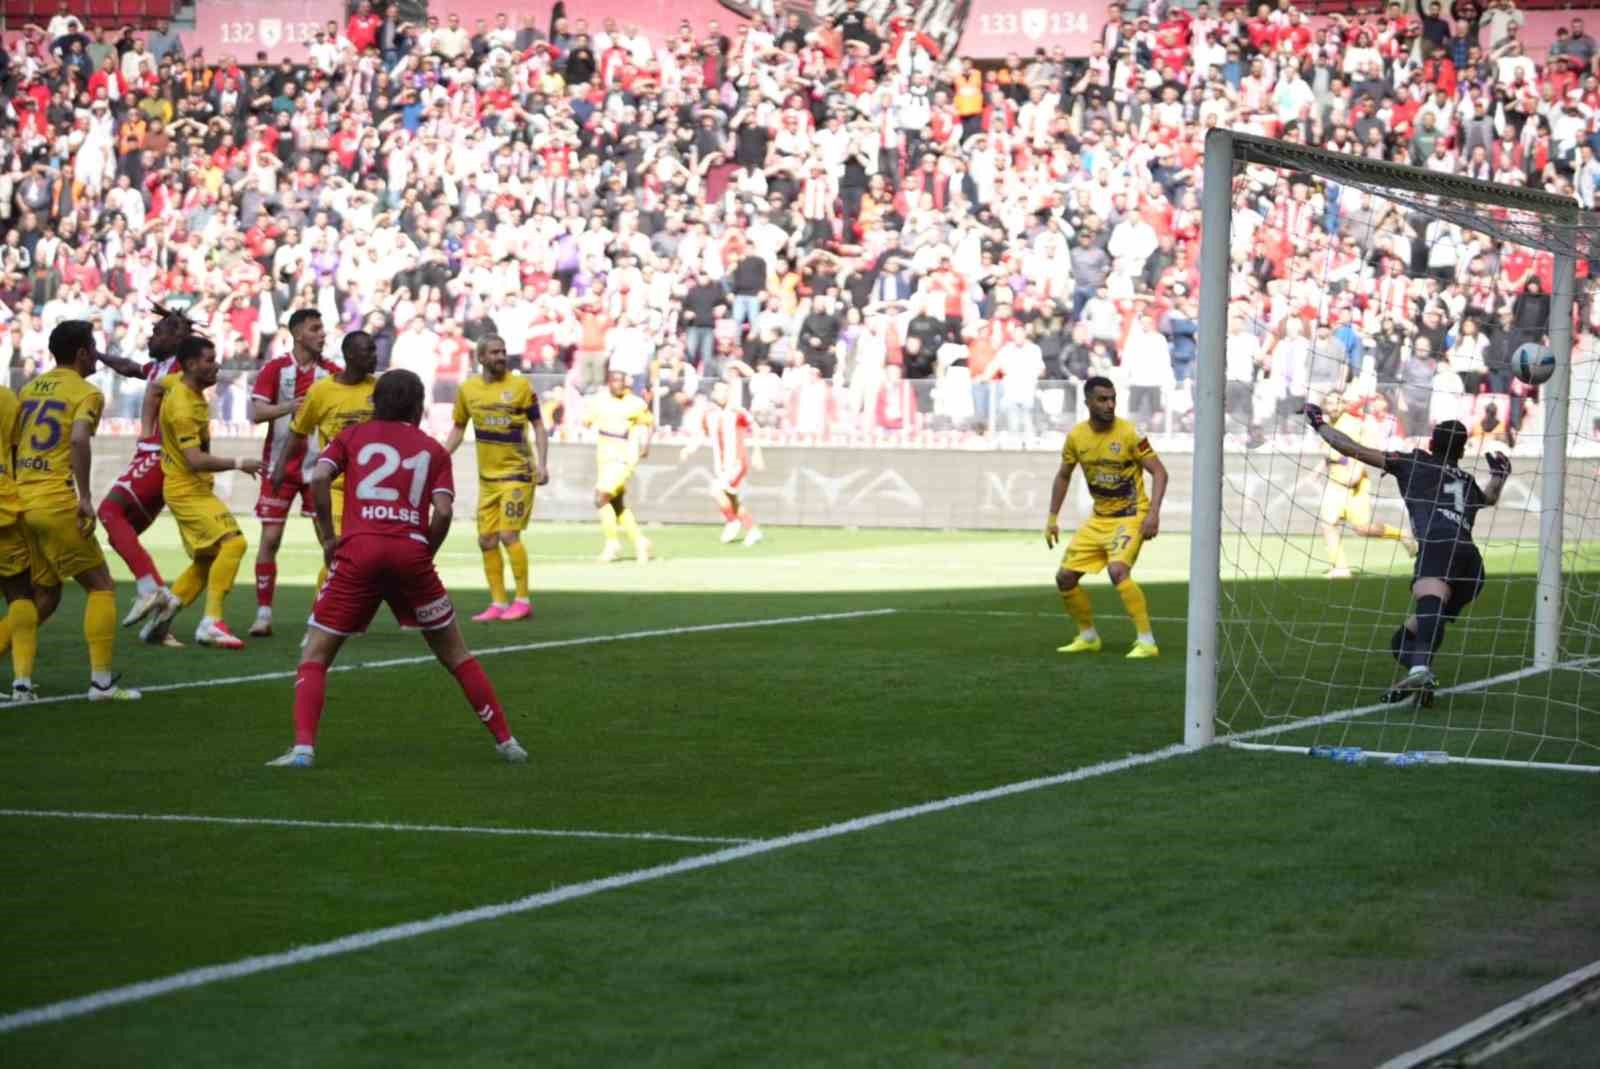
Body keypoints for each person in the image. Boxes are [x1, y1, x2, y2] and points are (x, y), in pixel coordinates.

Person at [267, 369, 528, 768]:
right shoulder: (434, 451)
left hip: (360, 552)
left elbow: (319, 477)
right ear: (418, 407)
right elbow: (442, 511)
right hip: (410, 554)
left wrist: (328, 537)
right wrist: (425, 549)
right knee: (457, 655)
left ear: (375, 402)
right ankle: (507, 741)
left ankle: (303, 749)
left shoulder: (352, 437)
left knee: (316, 653)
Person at [1305, 405, 1508, 704]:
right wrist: (1499, 477)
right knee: (1403, 640)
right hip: (1471, 565)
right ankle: (1422, 677)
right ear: (1462, 452)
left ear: (1429, 444)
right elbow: (1488, 498)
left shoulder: (1413, 462)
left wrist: (1320, 424)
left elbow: (1352, 448)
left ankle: (1420, 668)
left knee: (1428, 612)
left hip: (1438, 546)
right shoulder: (1465, 481)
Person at [13, 320, 141, 701]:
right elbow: (79, 439)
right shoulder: (87, 393)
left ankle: (21, 684)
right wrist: (85, 497)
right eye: (94, 346)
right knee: (101, 586)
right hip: (55, 500)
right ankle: (101, 683)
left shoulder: (29, 388)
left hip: (22, 501)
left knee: (44, 594)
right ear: (83, 352)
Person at [140, 335, 263, 649]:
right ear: (192, 365)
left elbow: (154, 386)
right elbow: (195, 460)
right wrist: (239, 462)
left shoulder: (178, 383)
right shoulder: (182, 406)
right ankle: (211, 622)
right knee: (234, 543)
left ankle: (158, 624)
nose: (216, 365)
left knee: (206, 561)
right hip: (187, 490)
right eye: (209, 360)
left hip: (192, 487)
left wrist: (146, 431)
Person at [1043, 376, 1169, 659]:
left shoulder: (1130, 434)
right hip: (1099, 519)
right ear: (1087, 402)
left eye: (1113, 399)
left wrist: (1153, 514)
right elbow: (1063, 475)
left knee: (1118, 571)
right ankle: (1088, 637)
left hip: (1131, 516)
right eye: (1102, 399)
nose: (1110, 405)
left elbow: (1160, 472)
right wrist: (1052, 517)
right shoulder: (1076, 437)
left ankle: (1147, 641)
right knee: (1064, 578)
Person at [97, 306, 190, 640]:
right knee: (121, 530)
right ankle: (160, 617)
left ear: (177, 338)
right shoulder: (160, 367)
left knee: (108, 511)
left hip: (160, 453)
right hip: (153, 455)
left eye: (159, 332)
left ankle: (151, 590)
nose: (152, 336)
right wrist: (96, 354)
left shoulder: (182, 368)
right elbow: (130, 367)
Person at [246, 308, 340, 638]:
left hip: (319, 471)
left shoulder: (332, 373)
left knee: (329, 541)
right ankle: (263, 614)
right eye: (316, 328)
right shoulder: (275, 369)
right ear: (298, 333)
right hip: (279, 467)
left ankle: (328, 612)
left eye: (322, 328)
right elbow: (255, 413)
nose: (322, 334)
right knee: (270, 539)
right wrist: (292, 406)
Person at [443, 335, 550, 622]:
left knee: (508, 534)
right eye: (495, 352)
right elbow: (457, 428)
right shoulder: (468, 390)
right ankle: (498, 603)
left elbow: (539, 426)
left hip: (518, 474)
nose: (501, 356)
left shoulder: (520, 387)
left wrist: (542, 463)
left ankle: (523, 600)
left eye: (503, 351)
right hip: (487, 479)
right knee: (486, 539)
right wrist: (440, 456)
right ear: (481, 358)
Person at [269, 331, 378, 589]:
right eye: (369, 351)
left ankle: (343, 615)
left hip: (370, 489)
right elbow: (297, 432)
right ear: (350, 354)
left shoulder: (379, 388)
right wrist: (280, 468)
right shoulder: (321, 391)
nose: (375, 356)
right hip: (336, 486)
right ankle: (321, 618)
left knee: (367, 556)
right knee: (339, 551)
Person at [1317, 392, 1417, 577]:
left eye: (1337, 403)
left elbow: (1361, 450)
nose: (1333, 407)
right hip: (1334, 482)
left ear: (1344, 405)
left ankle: (1402, 534)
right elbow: (1331, 453)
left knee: (1361, 528)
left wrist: (1356, 472)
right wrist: (1318, 470)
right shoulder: (1327, 425)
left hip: (1354, 484)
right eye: (1329, 404)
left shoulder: (1353, 424)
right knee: (1328, 524)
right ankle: (1340, 568)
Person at [679, 380, 764, 546]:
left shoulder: (737, 412)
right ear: (713, 394)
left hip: (737, 462)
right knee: (731, 498)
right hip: (721, 465)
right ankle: (753, 530)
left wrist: (757, 452)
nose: (721, 394)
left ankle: (732, 522)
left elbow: (754, 427)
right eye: (718, 391)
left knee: (716, 489)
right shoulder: (709, 414)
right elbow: (701, 434)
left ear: (729, 393)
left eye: (725, 391)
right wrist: (688, 449)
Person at [584, 368, 654, 564]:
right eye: (614, 381)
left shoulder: (635, 403)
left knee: (600, 498)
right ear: (609, 382)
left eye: (621, 381)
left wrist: (646, 445)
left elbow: (650, 423)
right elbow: (586, 420)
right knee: (616, 504)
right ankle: (640, 542)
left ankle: (612, 544)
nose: (618, 384)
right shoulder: (600, 401)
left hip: (624, 457)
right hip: (604, 458)